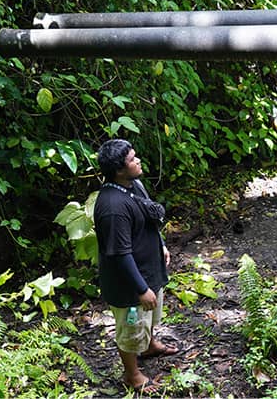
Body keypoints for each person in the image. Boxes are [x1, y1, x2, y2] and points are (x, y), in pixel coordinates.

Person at [94, 138, 179, 395]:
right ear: (119, 169)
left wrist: (161, 244)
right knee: (131, 328)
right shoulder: (112, 207)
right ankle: (132, 374)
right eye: (132, 159)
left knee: (150, 316)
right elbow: (119, 254)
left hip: (148, 268)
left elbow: (148, 218)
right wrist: (141, 288)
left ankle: (149, 344)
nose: (138, 160)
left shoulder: (134, 184)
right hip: (129, 282)